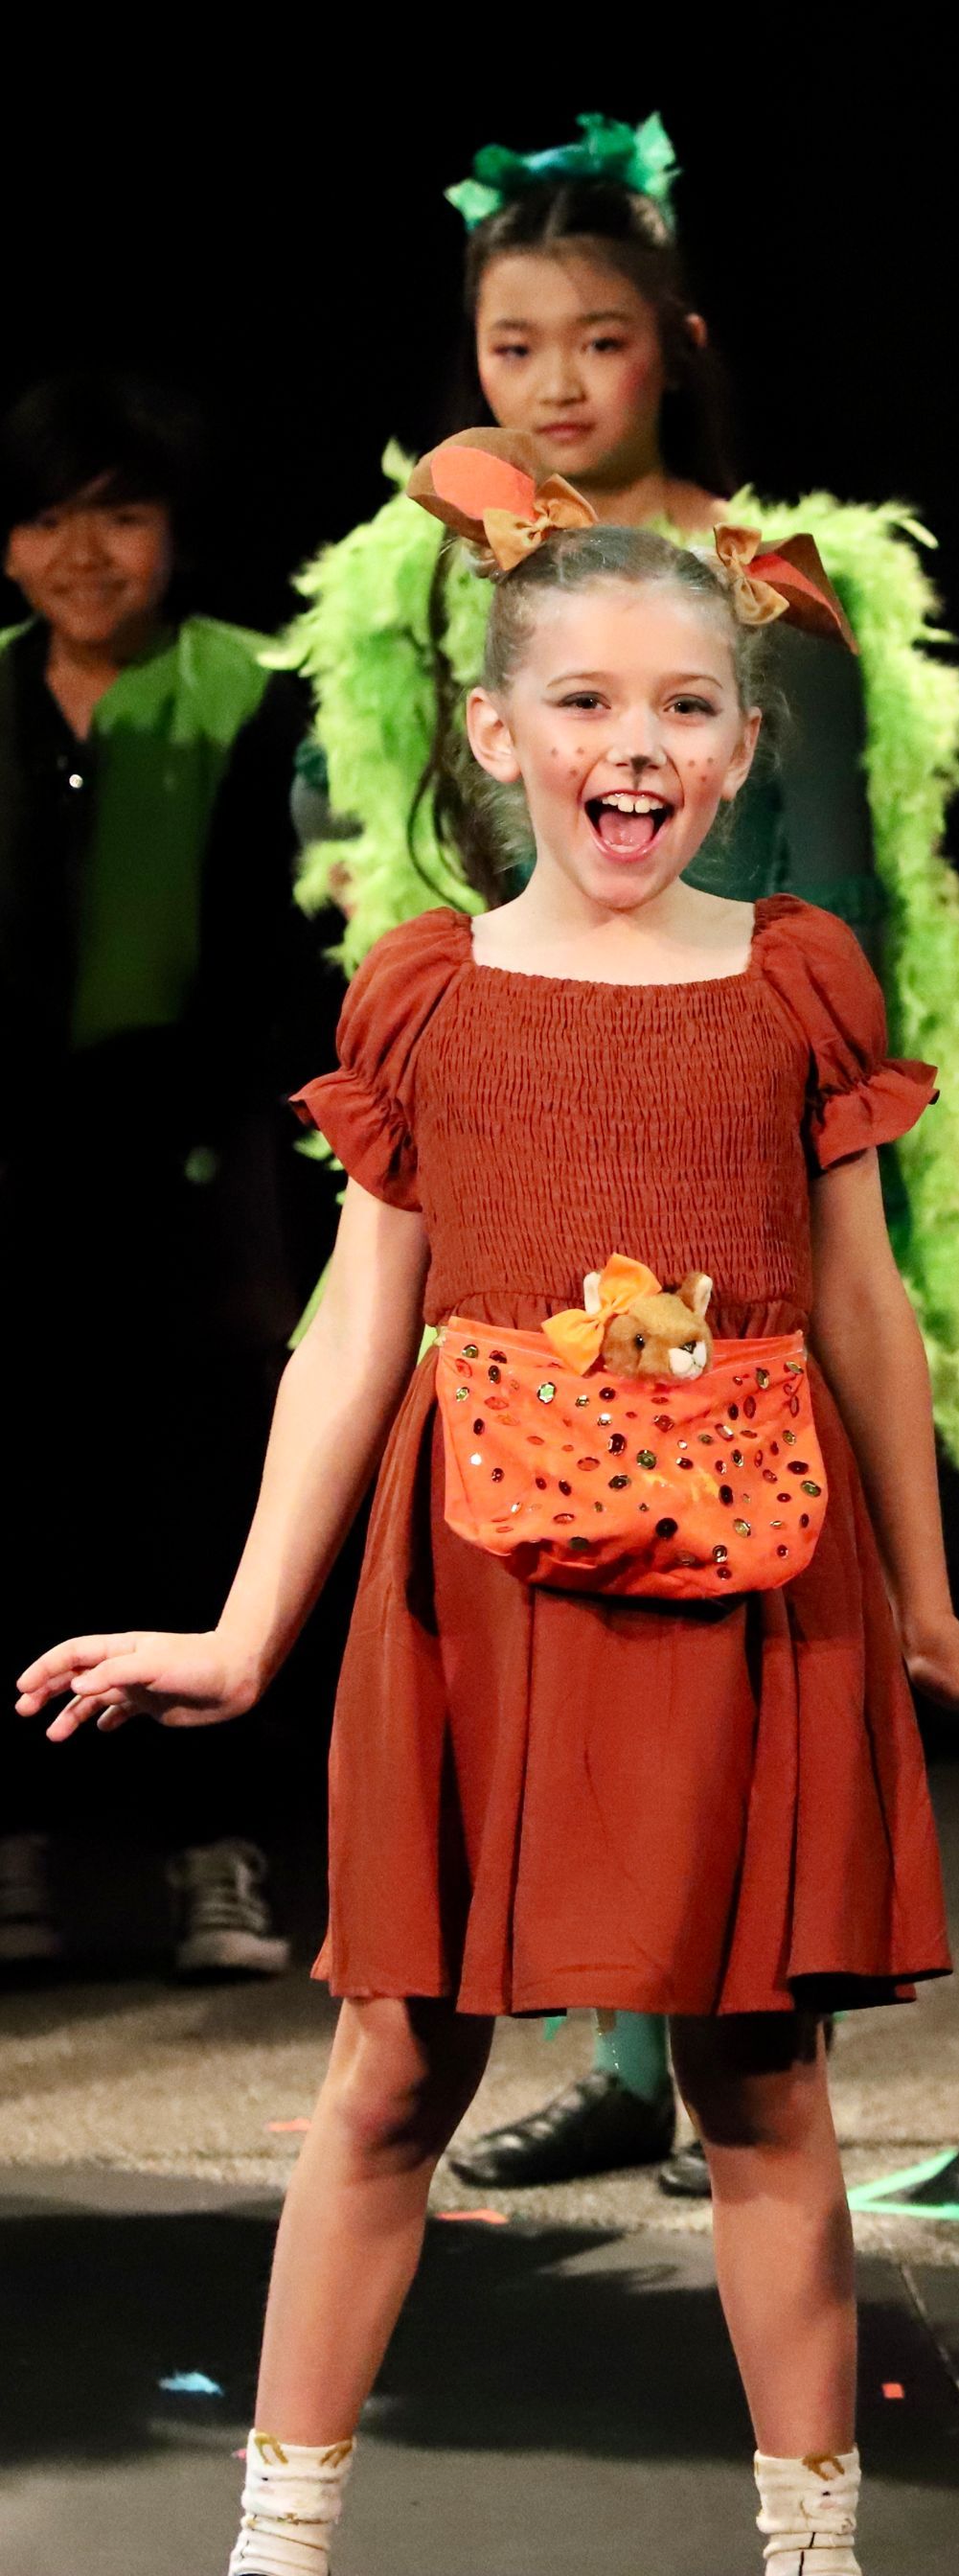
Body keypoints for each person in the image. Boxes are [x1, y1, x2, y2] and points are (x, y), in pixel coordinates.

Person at [18, 449, 959, 2576]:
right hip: (481, 1592)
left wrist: (936, 1615)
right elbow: (357, 1321)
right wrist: (248, 1630)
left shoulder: (796, 982)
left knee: (763, 2088)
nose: (638, 746)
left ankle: (812, 2553)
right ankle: (280, 2542)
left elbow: (867, 1306)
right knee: (393, 2073)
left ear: (741, 742)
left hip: (752, 1588)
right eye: (588, 705)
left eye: (685, 707)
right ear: (501, 737)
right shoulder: (427, 990)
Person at [285, 118, 959, 2193]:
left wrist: (802, 1079)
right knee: (541, 1558)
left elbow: (840, 871)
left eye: (596, 344)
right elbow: (373, 821)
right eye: (512, 346)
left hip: (731, 1101)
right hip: (516, 1108)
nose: (552, 386)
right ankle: (604, 2046)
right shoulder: (422, 579)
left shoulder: (765, 592)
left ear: (668, 351)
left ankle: (717, 2033)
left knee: (712, 1564)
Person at [0, 375, 333, 1981]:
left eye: (120, 512)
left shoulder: (253, 697)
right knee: (18, 1497)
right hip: (8, 1174)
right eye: (53, 515)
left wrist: (215, 1116)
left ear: (174, 534)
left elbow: (294, 955)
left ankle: (223, 1855)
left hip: (203, 1162)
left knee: (203, 1489)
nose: (85, 549)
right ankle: (24, 1847)